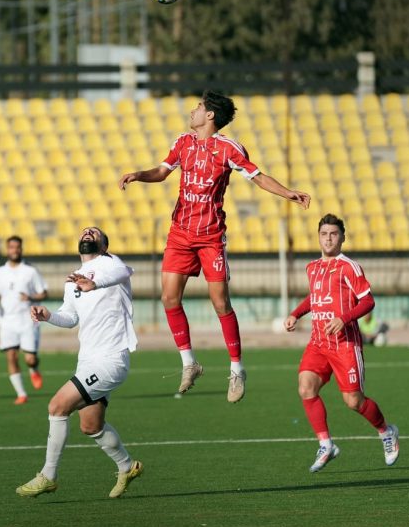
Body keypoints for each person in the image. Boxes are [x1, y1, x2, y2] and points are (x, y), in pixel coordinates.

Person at [119, 90, 311, 403]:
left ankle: (237, 369)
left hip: (210, 236)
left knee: (220, 302)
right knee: (169, 297)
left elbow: (257, 176)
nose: (192, 110)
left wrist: (287, 192)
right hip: (180, 232)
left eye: (198, 106)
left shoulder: (228, 148)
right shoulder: (182, 142)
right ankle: (189, 363)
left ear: (210, 115)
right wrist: (140, 175)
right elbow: (162, 172)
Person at [15, 226, 143, 499]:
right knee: (91, 425)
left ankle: (48, 475)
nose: (88, 233)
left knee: (57, 406)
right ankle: (127, 465)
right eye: (85, 232)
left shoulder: (110, 264)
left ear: (104, 246)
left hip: (110, 359)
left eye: (94, 233)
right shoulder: (72, 281)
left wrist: (93, 283)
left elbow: (124, 273)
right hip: (87, 362)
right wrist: (48, 315)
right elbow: (70, 317)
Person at [284, 214, 399, 472]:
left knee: (354, 402)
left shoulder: (349, 267)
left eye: (333, 234)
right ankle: (326, 444)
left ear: (342, 237)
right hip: (318, 342)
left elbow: (368, 301)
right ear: (319, 237)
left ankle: (386, 431)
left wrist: (344, 319)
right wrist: (295, 313)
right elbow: (314, 297)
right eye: (324, 234)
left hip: (345, 344)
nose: (328, 238)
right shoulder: (312, 267)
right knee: (305, 387)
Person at [0, 235, 49, 404]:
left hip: (28, 320)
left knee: (29, 358)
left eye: (17, 247)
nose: (14, 250)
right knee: (11, 356)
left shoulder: (31, 271)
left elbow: (44, 292)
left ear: (21, 249)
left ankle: (34, 368)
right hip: (7, 321)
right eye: (11, 247)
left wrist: (30, 296)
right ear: (7, 250)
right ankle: (21, 393)